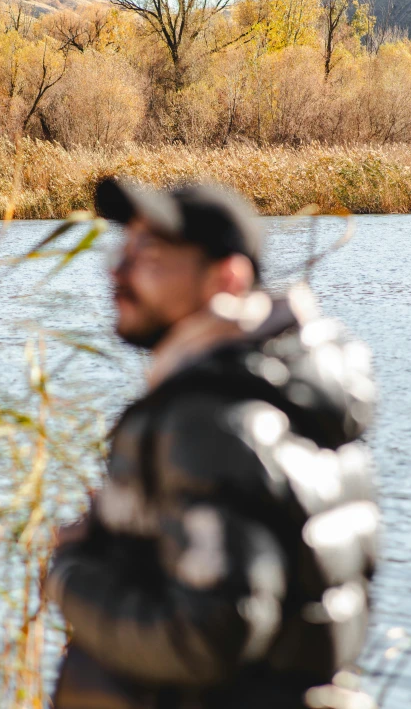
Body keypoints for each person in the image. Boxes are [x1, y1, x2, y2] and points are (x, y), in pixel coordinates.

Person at [46, 178, 378, 709]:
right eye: (124, 249)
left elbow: (206, 636)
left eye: (148, 253)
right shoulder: (293, 397)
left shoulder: (213, 421)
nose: (117, 270)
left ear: (226, 278)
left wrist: (70, 575)